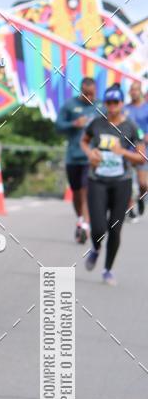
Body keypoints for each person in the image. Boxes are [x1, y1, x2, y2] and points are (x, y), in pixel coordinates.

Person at [80, 83, 144, 285]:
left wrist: (123, 152)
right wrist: (90, 153)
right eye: (109, 102)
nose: (113, 105)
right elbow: (84, 141)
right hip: (97, 180)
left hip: (121, 183)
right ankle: (96, 249)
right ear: (105, 103)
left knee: (115, 229)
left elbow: (141, 157)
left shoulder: (131, 127)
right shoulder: (96, 123)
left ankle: (108, 270)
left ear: (121, 103)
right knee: (98, 228)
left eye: (116, 101)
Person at [55, 77, 101, 243]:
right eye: (86, 94)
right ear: (81, 91)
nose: (89, 97)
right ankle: (81, 219)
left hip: (91, 157)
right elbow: (58, 126)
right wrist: (74, 123)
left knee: (85, 190)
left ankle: (85, 225)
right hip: (73, 156)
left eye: (92, 94)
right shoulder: (70, 105)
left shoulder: (100, 106)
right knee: (76, 192)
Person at [124, 81, 148, 219]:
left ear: (140, 91)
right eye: (131, 90)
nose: (134, 92)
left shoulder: (146, 108)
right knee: (126, 181)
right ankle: (130, 208)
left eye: (136, 90)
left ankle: (141, 198)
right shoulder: (124, 109)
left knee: (144, 184)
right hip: (127, 148)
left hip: (143, 149)